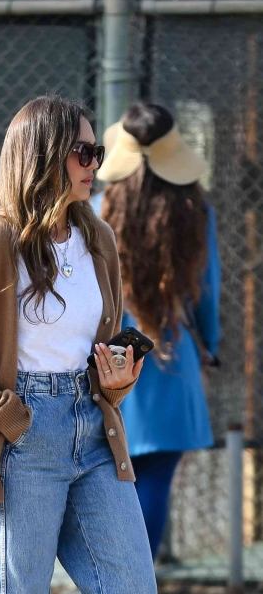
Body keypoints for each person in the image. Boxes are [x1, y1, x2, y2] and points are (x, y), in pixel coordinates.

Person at [0, 95, 157, 594]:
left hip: (95, 432)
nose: (94, 164)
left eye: (97, 152)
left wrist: (113, 383)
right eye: (83, 152)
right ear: (43, 153)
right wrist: (8, 419)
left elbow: (93, 342)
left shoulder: (99, 238)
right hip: (21, 436)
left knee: (132, 585)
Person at [94, 102, 221, 560]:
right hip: (170, 358)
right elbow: (208, 293)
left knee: (104, 485)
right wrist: (213, 343)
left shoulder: (94, 209)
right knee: (154, 482)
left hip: (104, 364)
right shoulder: (195, 212)